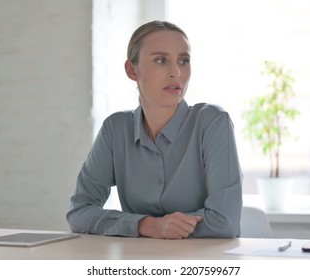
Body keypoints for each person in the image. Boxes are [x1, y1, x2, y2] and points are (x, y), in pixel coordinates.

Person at [66, 20, 242, 239]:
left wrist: (159, 228)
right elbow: (80, 212)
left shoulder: (213, 123)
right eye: (161, 60)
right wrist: (146, 225)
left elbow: (225, 222)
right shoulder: (115, 130)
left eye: (183, 60)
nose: (176, 72)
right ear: (132, 70)